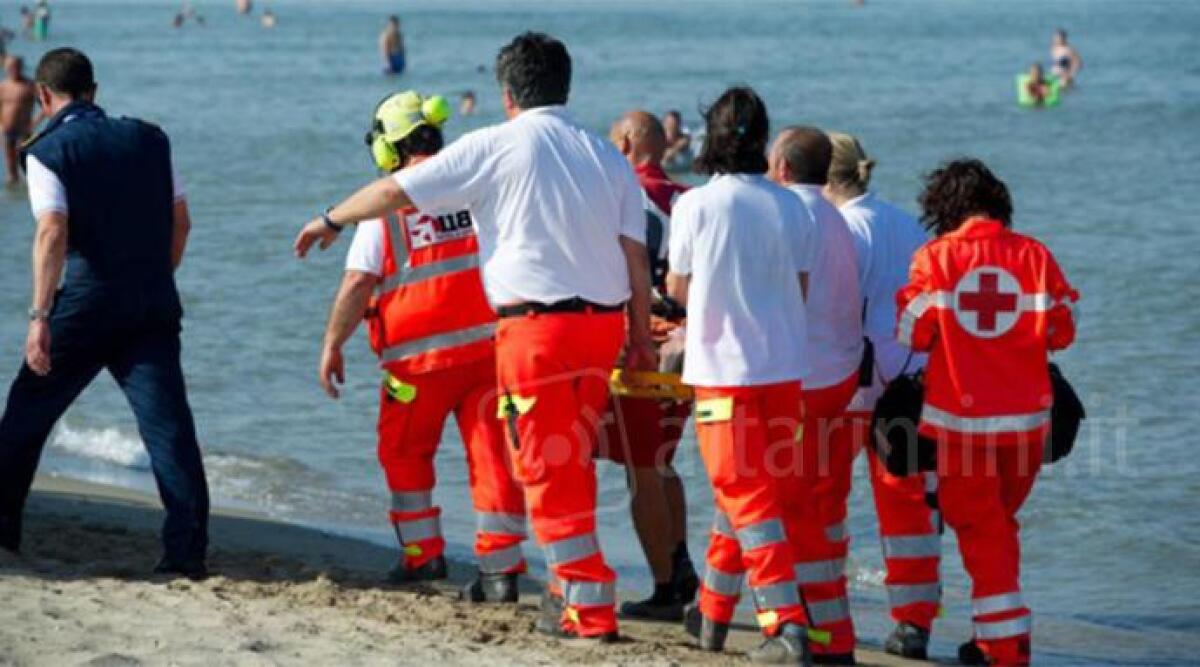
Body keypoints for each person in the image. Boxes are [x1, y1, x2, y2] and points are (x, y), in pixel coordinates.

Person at [294, 32, 655, 641]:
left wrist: (329, 218)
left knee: (542, 466)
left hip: (532, 333)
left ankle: (587, 607)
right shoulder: (605, 154)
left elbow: (389, 196)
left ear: (507, 94)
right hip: (601, 328)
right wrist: (640, 335)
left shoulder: (495, 144)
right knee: (566, 461)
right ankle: (567, 585)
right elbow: (635, 256)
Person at [0, 48, 209, 578]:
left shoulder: (47, 151)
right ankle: (186, 553)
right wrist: (157, 277)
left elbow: (52, 232)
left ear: (45, 97)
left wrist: (39, 316)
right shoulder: (151, 140)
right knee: (169, 428)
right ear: (94, 91)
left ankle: (2, 529)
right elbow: (181, 223)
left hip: (87, 304)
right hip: (152, 300)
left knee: (27, 411)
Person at [320, 90, 529, 599]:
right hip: (486, 354)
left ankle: (423, 558)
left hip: (415, 370)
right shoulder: (475, 190)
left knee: (406, 455)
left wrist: (332, 343)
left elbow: (357, 283)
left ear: (388, 151)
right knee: (493, 460)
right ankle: (500, 573)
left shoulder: (385, 205)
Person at [898, 159, 1078, 666]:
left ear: (943, 210)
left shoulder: (934, 260)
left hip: (962, 426)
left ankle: (1004, 650)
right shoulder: (1036, 256)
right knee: (997, 526)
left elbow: (911, 333)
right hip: (1027, 427)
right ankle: (991, 639)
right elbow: (1063, 331)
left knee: (982, 530)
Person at [667, 87, 815, 665]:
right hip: (784, 373)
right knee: (748, 496)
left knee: (745, 496)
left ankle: (783, 625)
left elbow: (677, 288)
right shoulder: (792, 206)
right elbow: (799, 289)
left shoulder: (698, 205)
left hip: (724, 375)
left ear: (711, 139)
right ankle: (711, 614)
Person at [824, 132, 942, 661]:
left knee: (823, 496)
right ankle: (914, 622)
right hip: (913, 381)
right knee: (909, 505)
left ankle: (823, 608)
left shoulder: (843, 229)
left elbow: (835, 309)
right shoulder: (905, 222)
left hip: (856, 381)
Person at [766, 127, 863, 665]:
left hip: (803, 381)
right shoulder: (835, 216)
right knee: (809, 504)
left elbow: (785, 298)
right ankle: (721, 608)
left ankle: (826, 632)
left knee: (786, 506)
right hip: (839, 378)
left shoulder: (791, 214)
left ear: (782, 166)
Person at [605, 110, 697, 622]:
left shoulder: (618, 195)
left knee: (642, 470)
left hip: (639, 345)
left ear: (625, 143)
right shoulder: (690, 198)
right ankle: (680, 563)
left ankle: (665, 587)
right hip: (685, 348)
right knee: (660, 460)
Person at [1, 56, 37, 185]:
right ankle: (13, 190)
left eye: (15, 66)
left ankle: (31, 186)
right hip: (7, 129)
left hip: (24, 129)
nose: (13, 69)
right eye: (10, 67)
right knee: (11, 165)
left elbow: (46, 104)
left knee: (27, 161)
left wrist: (34, 121)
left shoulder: (30, 85)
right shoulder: (3, 86)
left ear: (21, 67)